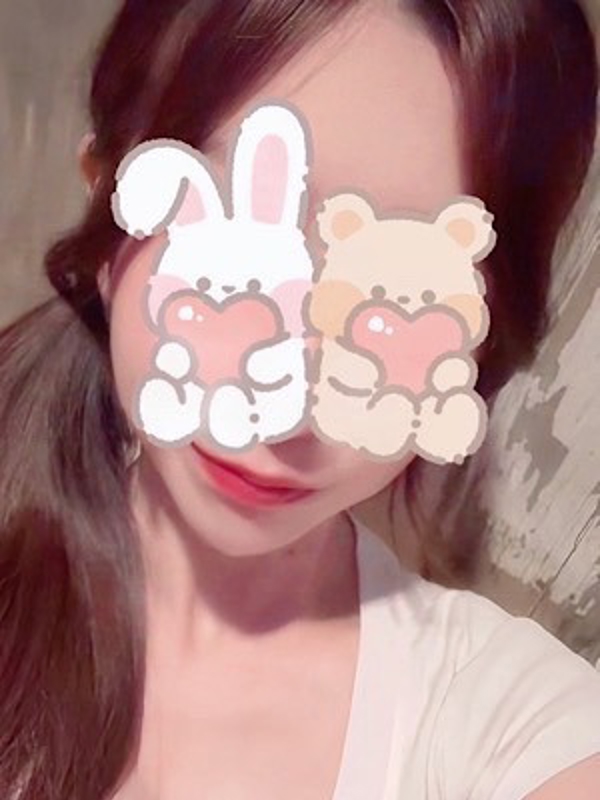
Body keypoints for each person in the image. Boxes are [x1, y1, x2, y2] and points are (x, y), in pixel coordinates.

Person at [1, 1, 599, 798]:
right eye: (237, 254)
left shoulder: (507, 727)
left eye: (393, 294)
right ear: (113, 211)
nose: (284, 409)